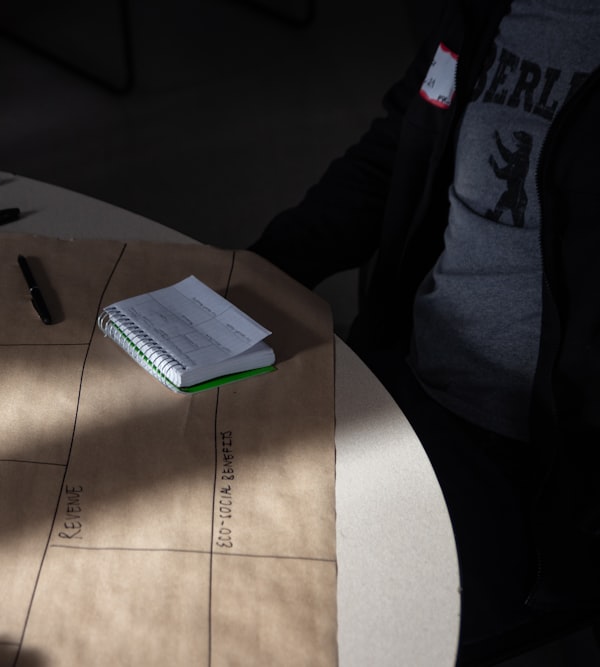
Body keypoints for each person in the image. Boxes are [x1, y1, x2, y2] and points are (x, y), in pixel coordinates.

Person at [248, 0, 600, 660]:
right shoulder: (497, 9)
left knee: (304, 613)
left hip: (539, 469)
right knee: (206, 488)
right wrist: (255, 273)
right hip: (405, 378)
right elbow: (392, 151)